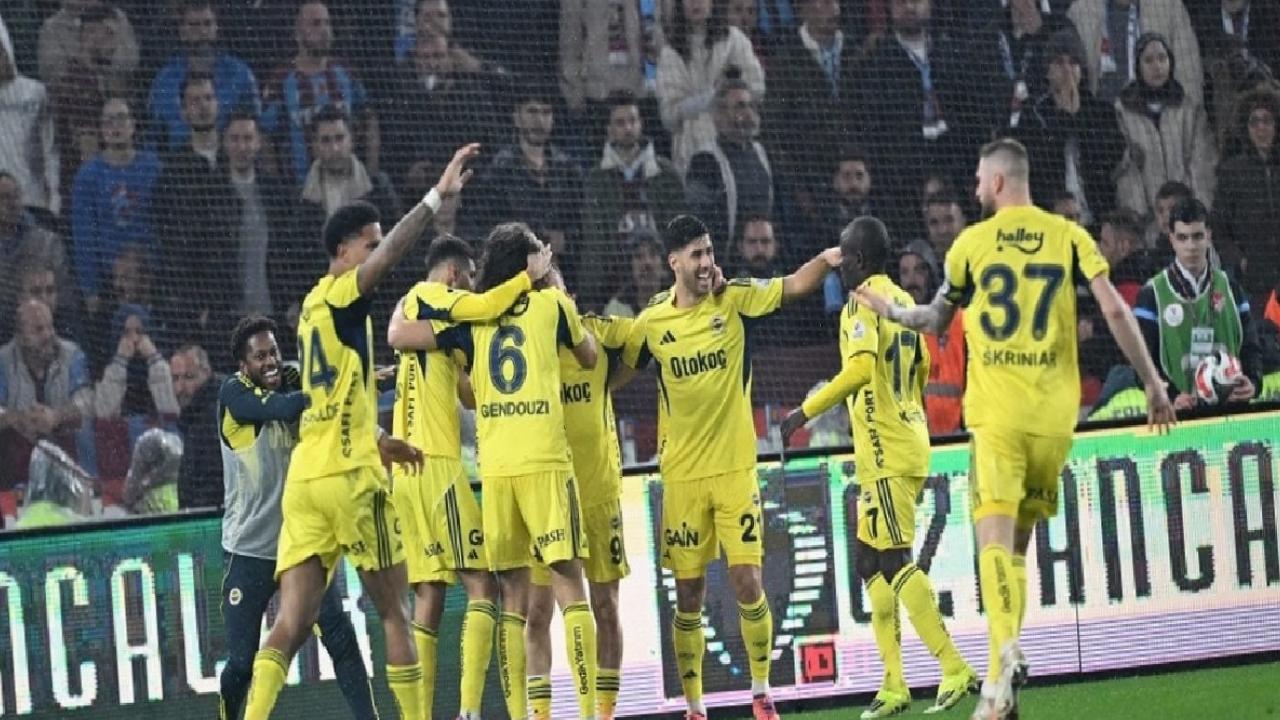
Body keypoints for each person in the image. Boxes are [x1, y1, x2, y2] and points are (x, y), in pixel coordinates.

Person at [853, 138, 1175, 720]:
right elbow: (1114, 310)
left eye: (980, 179)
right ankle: (1000, 695)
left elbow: (936, 318)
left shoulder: (971, 244)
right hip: (1054, 420)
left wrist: (893, 312)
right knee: (1019, 551)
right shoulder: (1069, 235)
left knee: (993, 546)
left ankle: (1004, 653)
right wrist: (1153, 383)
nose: (976, 188)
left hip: (998, 417)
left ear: (998, 182)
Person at [241, 143, 479, 720]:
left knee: (291, 622)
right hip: (351, 481)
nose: (377, 251)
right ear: (343, 251)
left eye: (376, 242)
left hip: (308, 480)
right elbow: (393, 254)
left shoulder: (311, 309)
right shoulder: (347, 293)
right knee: (396, 613)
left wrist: (377, 436)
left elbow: (331, 395)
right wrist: (436, 197)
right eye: (368, 244)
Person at [620, 214, 840, 720]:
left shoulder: (735, 299)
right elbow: (620, 370)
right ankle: (695, 708)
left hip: (736, 471)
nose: (706, 263)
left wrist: (829, 259)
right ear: (673, 262)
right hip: (681, 479)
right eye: (696, 255)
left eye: (710, 252)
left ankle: (761, 693)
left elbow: (792, 286)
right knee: (688, 595)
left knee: (747, 581)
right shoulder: (652, 323)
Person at [390, 224, 600, 720]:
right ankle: (590, 713)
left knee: (512, 601)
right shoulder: (552, 306)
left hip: (498, 471)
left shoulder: (472, 324)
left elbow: (411, 343)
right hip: (544, 463)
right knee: (570, 590)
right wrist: (552, 286)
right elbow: (590, 357)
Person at [779, 217, 977, 717]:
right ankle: (893, 685)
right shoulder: (902, 300)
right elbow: (921, 369)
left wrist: (804, 411)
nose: (840, 264)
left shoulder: (860, 303)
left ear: (860, 260)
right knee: (869, 562)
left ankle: (953, 666)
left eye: (845, 256)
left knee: (894, 560)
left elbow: (861, 369)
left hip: (887, 451)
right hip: (903, 441)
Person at [216, 315, 377, 720]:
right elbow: (285, 406)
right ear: (243, 365)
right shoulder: (233, 394)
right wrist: (325, 395)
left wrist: (358, 384)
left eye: (273, 352)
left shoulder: (291, 377)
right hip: (249, 549)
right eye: (259, 356)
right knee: (241, 663)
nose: (270, 361)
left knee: (340, 637)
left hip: (300, 542)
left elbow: (332, 390)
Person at [525, 268, 633, 720]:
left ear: (568, 294)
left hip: (599, 495)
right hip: (548, 499)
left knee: (605, 608)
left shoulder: (599, 336)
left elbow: (643, 342)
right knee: (537, 614)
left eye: (555, 290)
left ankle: (603, 714)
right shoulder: (528, 349)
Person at [1133, 197, 1261, 411]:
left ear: (1209, 235)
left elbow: (1250, 347)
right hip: (1180, 415)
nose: (1191, 246)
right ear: (1171, 239)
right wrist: (1171, 396)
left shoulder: (1231, 287)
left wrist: (1253, 383)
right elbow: (1141, 364)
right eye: (1182, 238)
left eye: (1197, 236)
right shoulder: (1151, 294)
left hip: (1231, 410)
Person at [1114, 33, 1218, 220]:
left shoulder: (1189, 109)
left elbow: (1202, 163)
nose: (1157, 66)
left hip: (1187, 218)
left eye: (1162, 58)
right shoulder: (1123, 111)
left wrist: (1195, 211)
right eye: (1149, 60)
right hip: (1147, 221)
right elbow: (1126, 174)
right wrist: (1139, 218)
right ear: (1138, 66)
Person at [656, 0, 765, 172]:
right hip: (693, 153)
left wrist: (731, 90)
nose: (696, 3)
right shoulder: (670, 53)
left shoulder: (734, 40)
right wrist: (712, 95)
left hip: (738, 141)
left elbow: (757, 88)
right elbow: (669, 115)